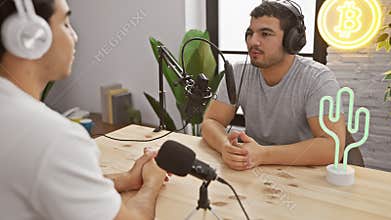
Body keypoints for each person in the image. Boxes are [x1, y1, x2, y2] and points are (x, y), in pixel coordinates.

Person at [0, 0, 166, 219]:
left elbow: (50, 182)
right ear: (29, 37)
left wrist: (125, 179)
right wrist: (152, 183)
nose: (75, 37)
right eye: (66, 24)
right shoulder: (52, 137)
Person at [202, 0, 346, 171]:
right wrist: (225, 146)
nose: (253, 41)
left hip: (302, 174)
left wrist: (263, 155)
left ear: (291, 40)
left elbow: (332, 147)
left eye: (265, 34)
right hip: (254, 171)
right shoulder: (238, 72)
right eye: (250, 33)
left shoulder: (318, 79)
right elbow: (211, 121)